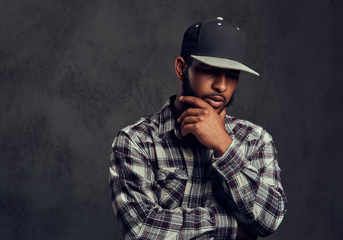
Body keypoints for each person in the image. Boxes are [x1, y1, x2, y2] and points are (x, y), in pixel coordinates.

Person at [109, 17, 287, 240]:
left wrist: (224, 145)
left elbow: (269, 220)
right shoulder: (136, 141)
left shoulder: (255, 139)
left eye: (232, 75)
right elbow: (142, 230)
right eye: (210, 70)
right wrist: (231, 228)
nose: (222, 86)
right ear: (182, 68)